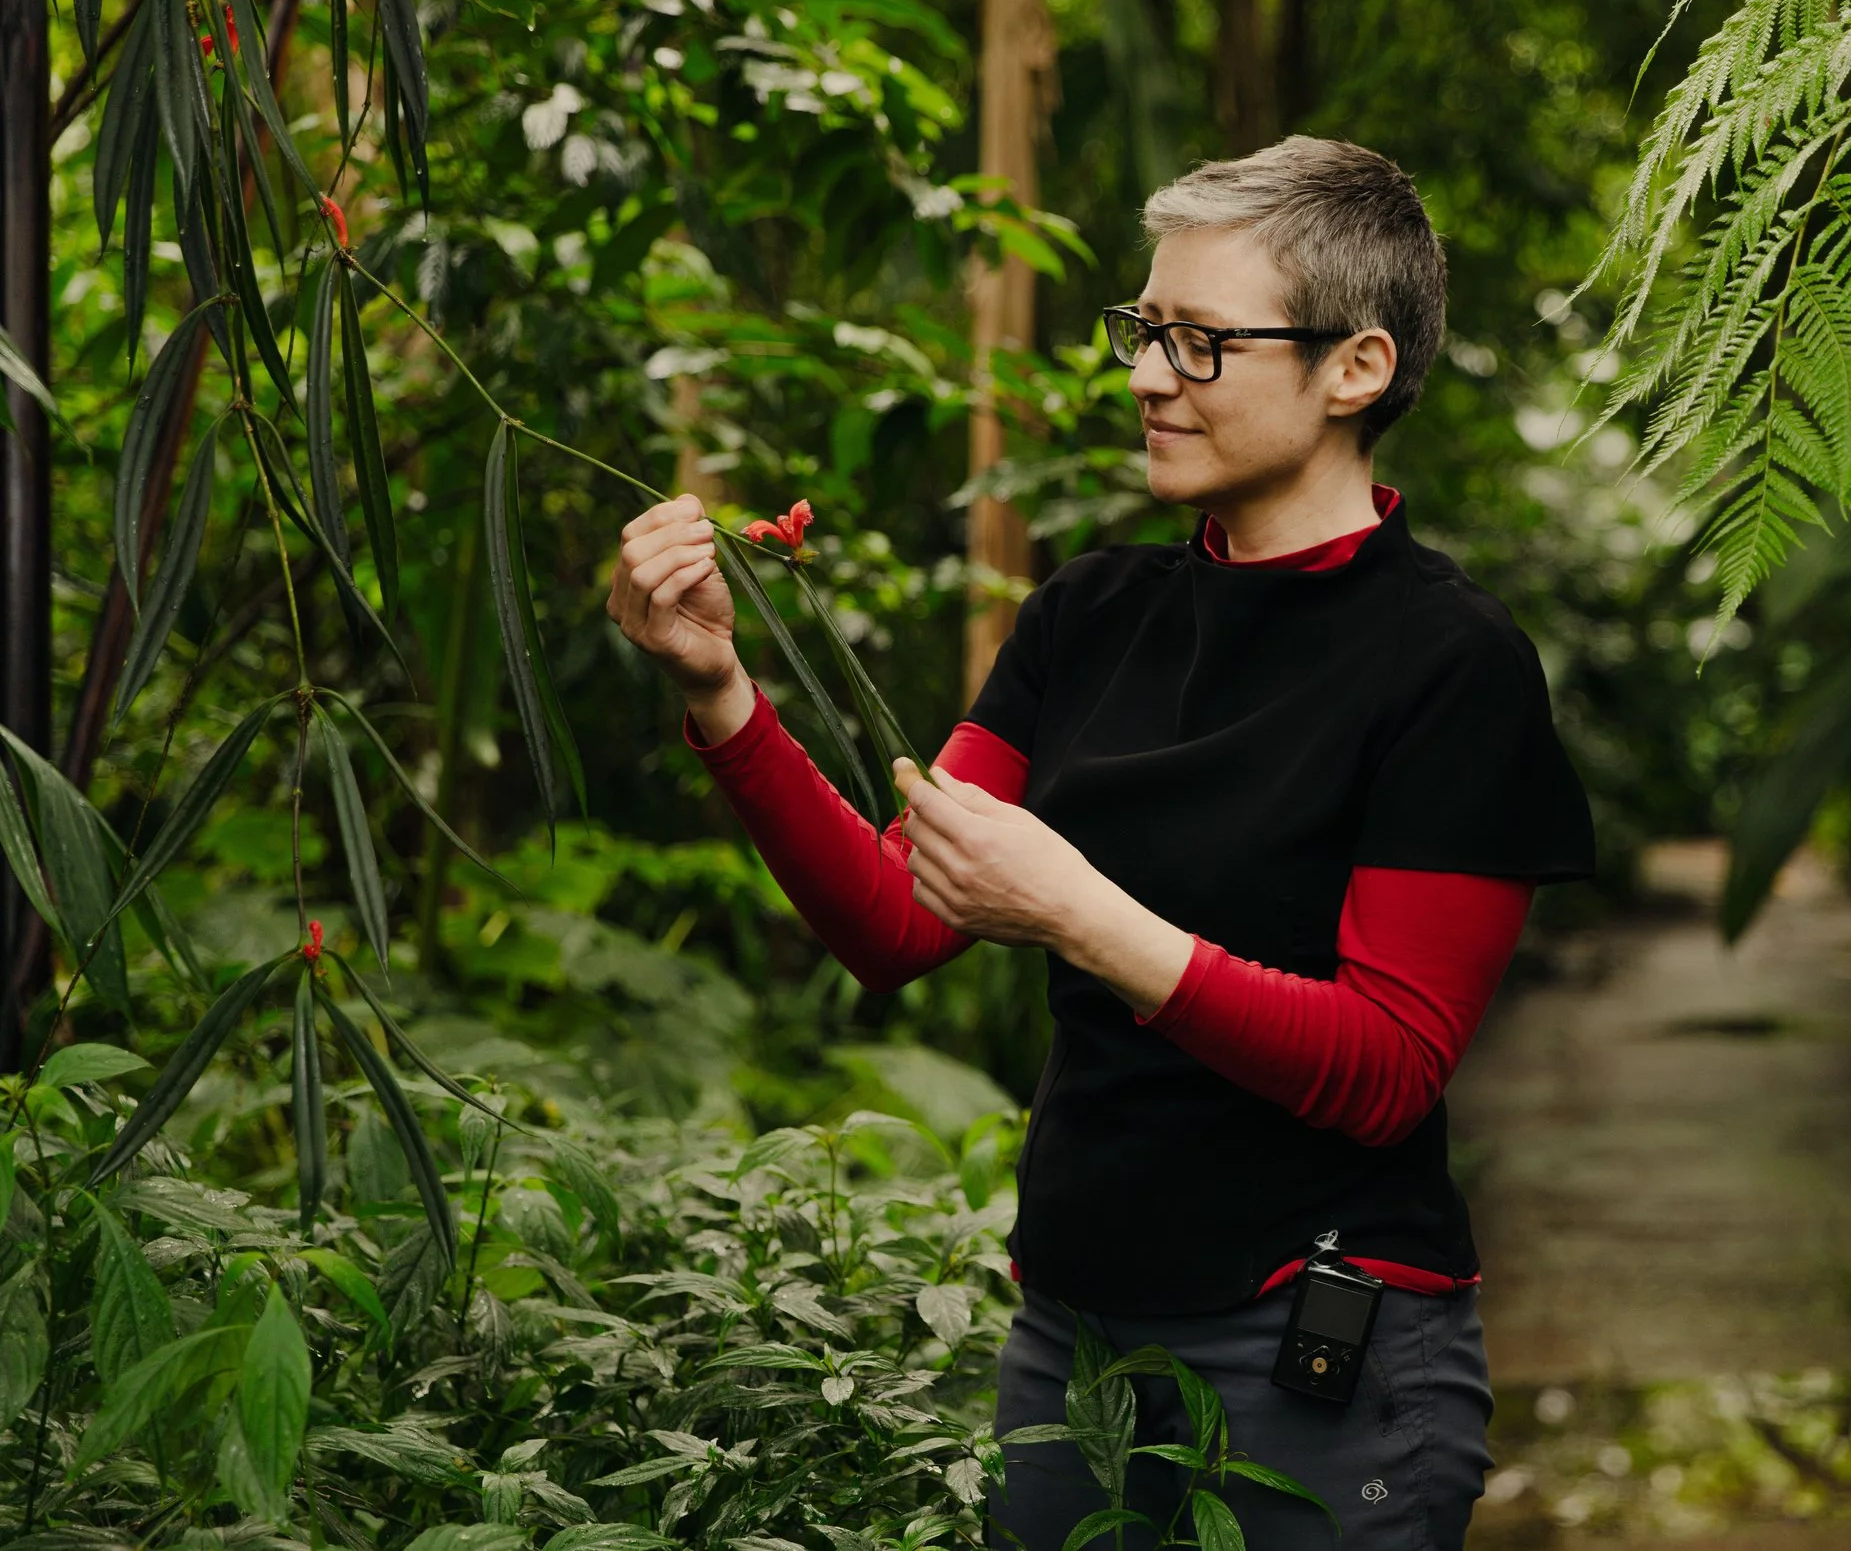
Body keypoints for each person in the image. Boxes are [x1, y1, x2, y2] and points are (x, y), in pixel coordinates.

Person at [605, 135, 1593, 1549]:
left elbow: (1386, 1070)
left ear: (1355, 369)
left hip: (1318, 1354)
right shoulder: (1090, 616)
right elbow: (896, 922)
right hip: (1072, 1341)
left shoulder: (1451, 663)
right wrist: (722, 695)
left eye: (1200, 344)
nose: (1144, 375)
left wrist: (1080, 912)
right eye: (1144, 330)